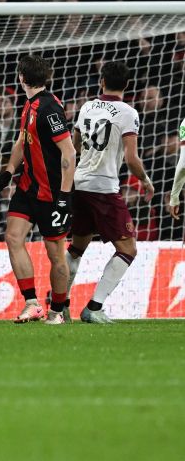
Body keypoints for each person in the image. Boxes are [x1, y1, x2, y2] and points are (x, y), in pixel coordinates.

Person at [66, 62, 153, 324]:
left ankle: (58, 301)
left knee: (77, 246)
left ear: (101, 81)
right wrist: (146, 181)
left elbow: (76, 144)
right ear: (127, 85)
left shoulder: (87, 107)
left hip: (79, 183)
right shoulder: (128, 113)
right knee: (128, 249)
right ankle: (94, 307)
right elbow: (132, 158)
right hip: (103, 188)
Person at [0, 55, 77, 325]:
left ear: (21, 77)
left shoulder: (50, 108)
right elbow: (22, 140)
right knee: (13, 237)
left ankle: (57, 311)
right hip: (28, 186)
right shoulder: (30, 104)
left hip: (52, 193)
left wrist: (64, 197)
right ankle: (32, 303)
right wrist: (8, 171)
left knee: (56, 254)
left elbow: (69, 152)